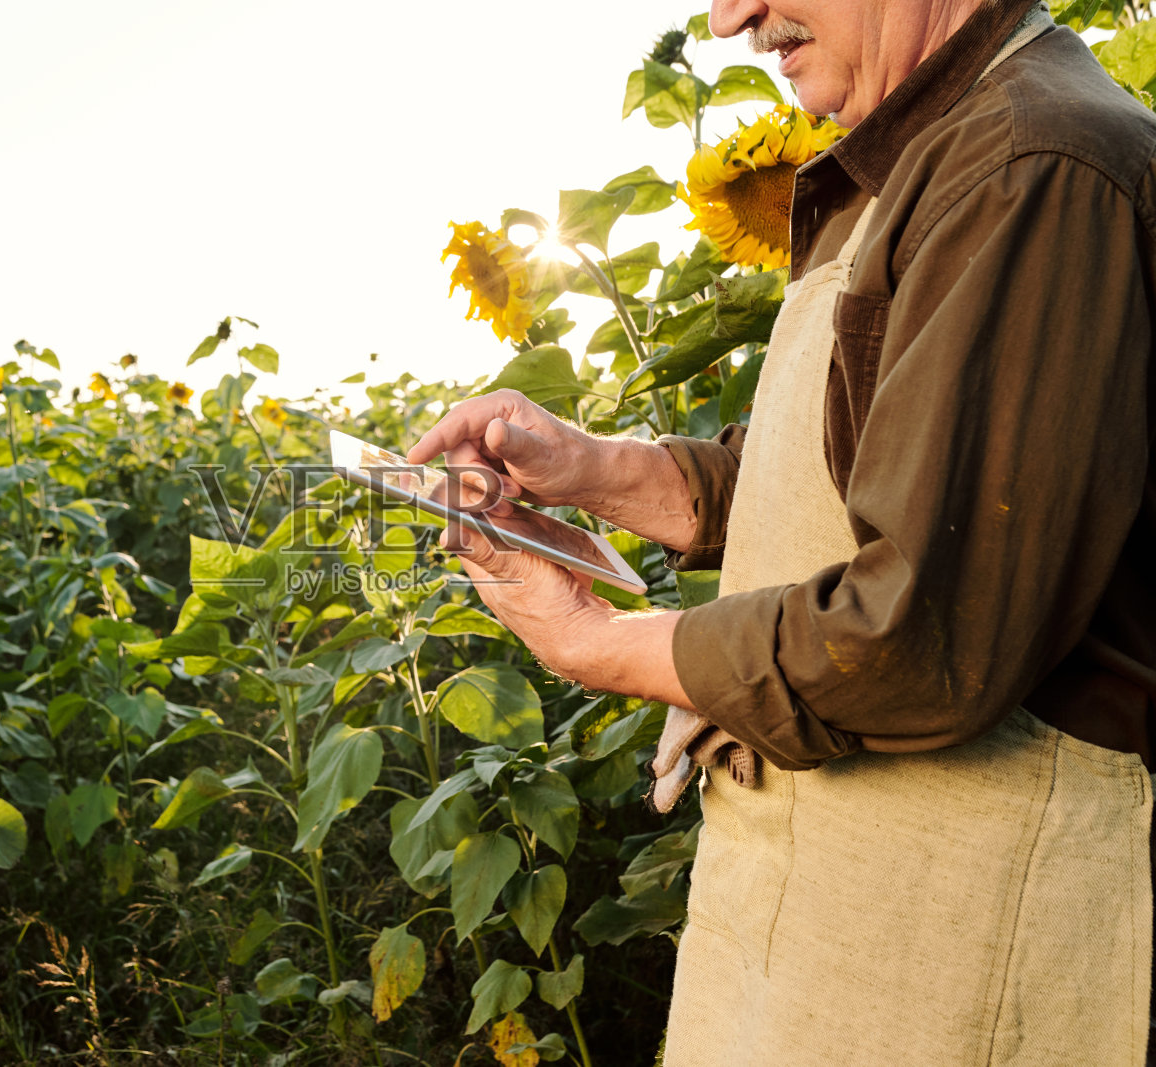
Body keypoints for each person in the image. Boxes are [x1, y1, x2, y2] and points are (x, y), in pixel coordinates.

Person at [407, 0, 1156, 1061]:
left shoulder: (1033, 162)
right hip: (826, 885)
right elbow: (833, 468)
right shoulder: (920, 151)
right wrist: (597, 469)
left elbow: (926, 629)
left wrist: (605, 645)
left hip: (957, 914)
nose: (728, 19)